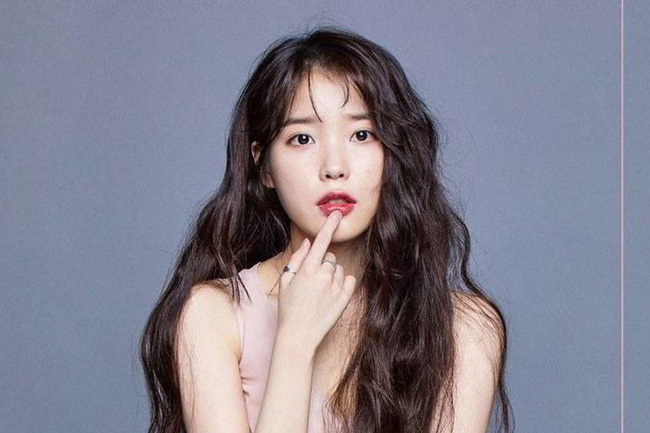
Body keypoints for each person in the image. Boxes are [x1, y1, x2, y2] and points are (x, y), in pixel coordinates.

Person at [140, 25, 512, 433]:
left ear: (395, 153)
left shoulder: (465, 329)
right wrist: (294, 343)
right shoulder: (214, 315)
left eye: (362, 135)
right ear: (264, 166)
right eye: (302, 138)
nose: (334, 167)